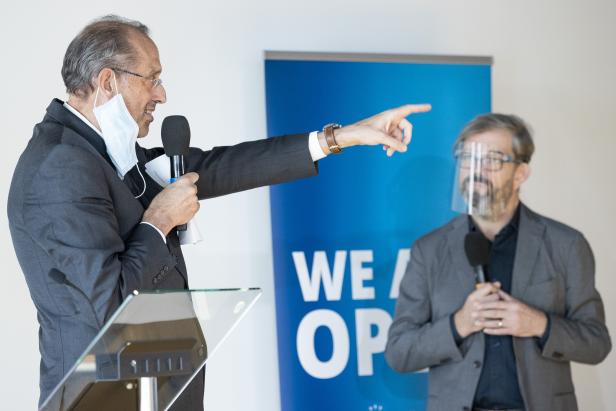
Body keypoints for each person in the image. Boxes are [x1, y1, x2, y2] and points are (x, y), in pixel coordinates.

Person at [6, 15, 430, 410]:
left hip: (159, 390)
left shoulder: (105, 153)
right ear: (107, 81)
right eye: (152, 79)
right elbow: (111, 307)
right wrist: (159, 220)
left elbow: (224, 166)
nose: (162, 94)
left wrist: (344, 137)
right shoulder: (58, 166)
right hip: (106, 399)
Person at [385, 113, 611, 411]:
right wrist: (459, 324)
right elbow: (399, 352)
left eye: (492, 159)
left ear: (521, 173)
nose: (475, 169)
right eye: (467, 157)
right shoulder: (429, 251)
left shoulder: (566, 245)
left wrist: (539, 325)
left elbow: (596, 344)